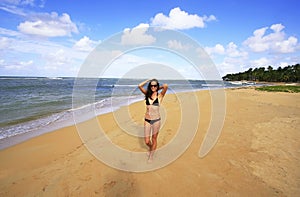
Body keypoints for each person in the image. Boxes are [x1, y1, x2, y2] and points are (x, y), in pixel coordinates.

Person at [138, 79, 168, 162]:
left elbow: (166, 86)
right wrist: (148, 80)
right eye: (151, 86)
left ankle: (151, 156)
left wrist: (157, 88)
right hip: (147, 120)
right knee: (147, 141)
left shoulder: (160, 95)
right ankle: (151, 148)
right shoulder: (147, 95)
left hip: (156, 120)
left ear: (157, 86)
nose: (153, 87)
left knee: (154, 139)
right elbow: (139, 85)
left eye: (155, 85)